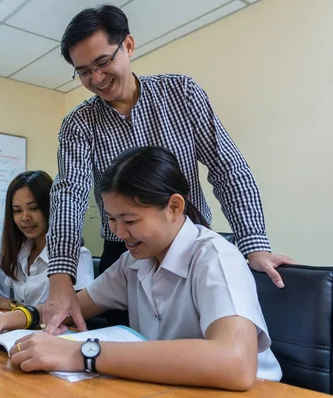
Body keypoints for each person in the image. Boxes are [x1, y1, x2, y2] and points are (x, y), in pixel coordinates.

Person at [44, 4, 293, 334]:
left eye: (103, 62)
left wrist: (254, 244)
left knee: (199, 345)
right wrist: (61, 278)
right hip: (124, 251)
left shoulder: (180, 92)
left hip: (189, 242)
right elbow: (69, 196)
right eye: (84, 71)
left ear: (128, 45)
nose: (97, 79)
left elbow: (227, 167)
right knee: (127, 349)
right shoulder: (79, 123)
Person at [0, 146, 282, 391]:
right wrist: (6, 319)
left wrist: (82, 354)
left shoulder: (215, 258)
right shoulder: (135, 261)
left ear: (174, 207)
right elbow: (69, 309)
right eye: (112, 219)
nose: (119, 233)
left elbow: (235, 364)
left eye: (129, 220)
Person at [0, 171, 94, 309]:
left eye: (33, 208)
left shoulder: (76, 255)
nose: (25, 217)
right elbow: (19, 304)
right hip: (21, 333)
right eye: (17, 211)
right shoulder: (19, 253)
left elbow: (75, 313)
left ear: (51, 207)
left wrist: (5, 303)